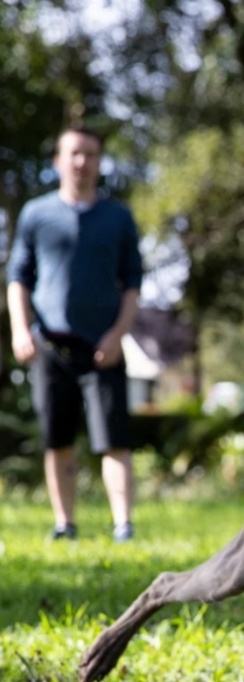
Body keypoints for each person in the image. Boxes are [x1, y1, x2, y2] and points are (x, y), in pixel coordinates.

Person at [6, 125, 144, 542]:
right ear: (58, 161)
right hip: (51, 345)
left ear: (99, 163)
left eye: (91, 155)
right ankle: (64, 523)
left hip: (103, 348)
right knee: (57, 440)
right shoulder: (36, 214)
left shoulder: (118, 218)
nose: (82, 162)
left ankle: (123, 524)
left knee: (113, 440)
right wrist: (19, 329)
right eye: (74, 153)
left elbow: (133, 285)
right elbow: (18, 278)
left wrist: (117, 336)